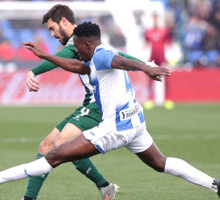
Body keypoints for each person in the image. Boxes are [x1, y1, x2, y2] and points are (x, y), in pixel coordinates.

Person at [0, 22, 220, 200]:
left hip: (115, 127)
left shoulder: (100, 54)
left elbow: (118, 61)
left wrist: (145, 68)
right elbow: (80, 68)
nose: (76, 51)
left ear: (86, 44)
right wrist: (45, 56)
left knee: (55, 154)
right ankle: (217, 185)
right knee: (161, 163)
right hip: (135, 122)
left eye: (77, 46)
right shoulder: (94, 56)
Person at [22, 4, 143, 200]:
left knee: (63, 142)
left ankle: (104, 186)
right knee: (46, 146)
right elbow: (119, 56)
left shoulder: (79, 42)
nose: (52, 34)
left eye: (52, 28)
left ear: (63, 21)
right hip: (88, 104)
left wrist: (34, 70)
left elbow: (59, 57)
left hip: (98, 105)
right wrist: (145, 66)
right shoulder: (81, 42)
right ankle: (104, 187)